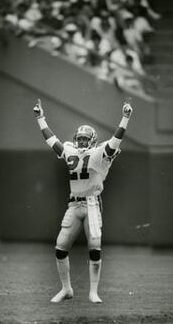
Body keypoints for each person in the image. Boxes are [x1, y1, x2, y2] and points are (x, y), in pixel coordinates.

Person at [32, 98, 133, 304]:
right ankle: (66, 289)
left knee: (94, 247)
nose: (82, 142)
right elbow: (52, 141)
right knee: (61, 246)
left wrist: (125, 117)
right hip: (74, 204)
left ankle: (93, 292)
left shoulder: (99, 153)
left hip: (93, 204)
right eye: (80, 138)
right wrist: (41, 118)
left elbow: (116, 140)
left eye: (86, 139)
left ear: (93, 140)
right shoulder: (69, 151)